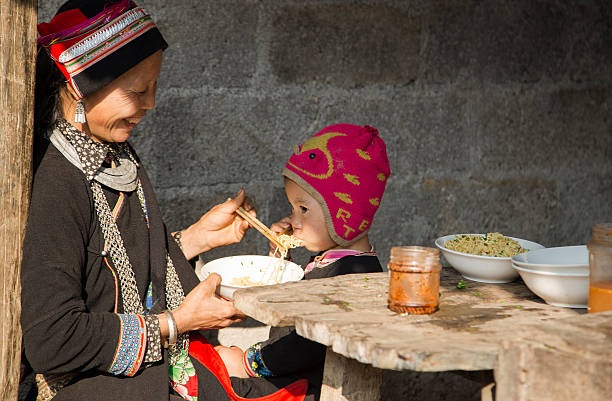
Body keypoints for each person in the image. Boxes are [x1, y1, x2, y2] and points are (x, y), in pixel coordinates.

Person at [21, 1, 310, 400]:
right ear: (79, 84)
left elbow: (116, 265)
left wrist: (197, 239)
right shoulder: (56, 185)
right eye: (138, 91)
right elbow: (53, 340)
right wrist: (176, 322)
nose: (151, 104)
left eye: (154, 88)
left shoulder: (116, 155)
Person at [215, 124, 391, 385]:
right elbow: (293, 307)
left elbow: (311, 342)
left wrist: (249, 361)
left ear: (344, 214)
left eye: (304, 210)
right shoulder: (332, 259)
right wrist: (280, 258)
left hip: (310, 387)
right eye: (292, 208)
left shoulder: (356, 276)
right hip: (290, 375)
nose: (294, 221)